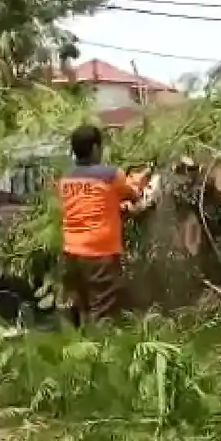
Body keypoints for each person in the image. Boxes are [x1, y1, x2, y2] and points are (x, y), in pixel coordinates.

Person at [57, 124, 150, 326]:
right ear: (95, 148)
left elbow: (89, 205)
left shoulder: (66, 179)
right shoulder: (111, 175)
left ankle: (75, 343)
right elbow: (133, 195)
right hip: (99, 253)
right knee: (102, 310)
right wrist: (139, 181)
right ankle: (102, 345)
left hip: (70, 252)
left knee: (78, 310)